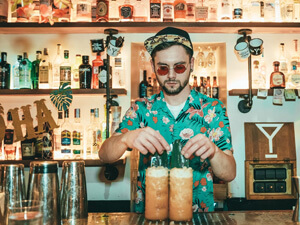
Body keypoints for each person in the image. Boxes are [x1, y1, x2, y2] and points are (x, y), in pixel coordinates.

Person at [99, 27, 236, 212]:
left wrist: (213, 152)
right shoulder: (141, 108)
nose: (171, 75)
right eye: (163, 68)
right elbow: (105, 155)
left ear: (192, 64)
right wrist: (126, 138)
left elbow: (229, 173)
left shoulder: (213, 109)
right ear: (153, 66)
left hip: (198, 217)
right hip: (150, 216)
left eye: (179, 67)